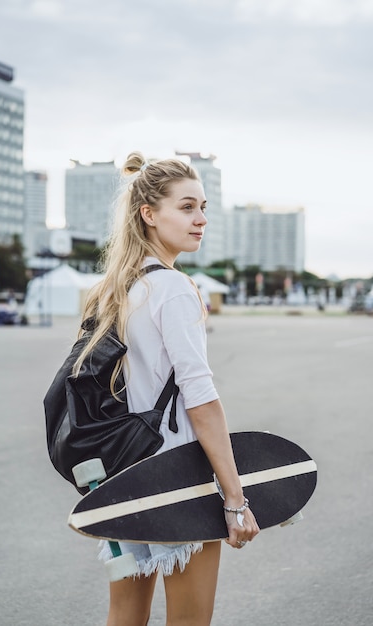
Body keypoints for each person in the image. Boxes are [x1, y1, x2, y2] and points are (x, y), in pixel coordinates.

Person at [77, 152, 259, 626]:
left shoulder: (118, 287)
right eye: (186, 207)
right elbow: (200, 399)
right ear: (149, 214)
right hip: (180, 473)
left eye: (203, 208)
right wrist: (234, 498)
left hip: (127, 474)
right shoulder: (174, 289)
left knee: (125, 617)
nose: (200, 220)